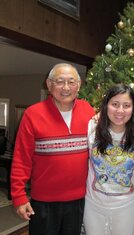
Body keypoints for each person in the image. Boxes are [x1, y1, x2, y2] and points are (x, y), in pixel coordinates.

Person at [10, 63, 95, 235]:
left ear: (78, 86)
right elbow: (21, 159)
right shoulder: (32, 114)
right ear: (49, 85)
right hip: (44, 203)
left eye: (71, 82)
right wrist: (19, 197)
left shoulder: (88, 111)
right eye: (59, 81)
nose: (66, 87)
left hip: (78, 200)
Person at [83, 84, 134, 235]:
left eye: (126, 105)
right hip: (93, 204)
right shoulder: (91, 127)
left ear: (133, 108)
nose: (120, 111)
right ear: (106, 105)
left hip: (128, 206)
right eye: (115, 104)